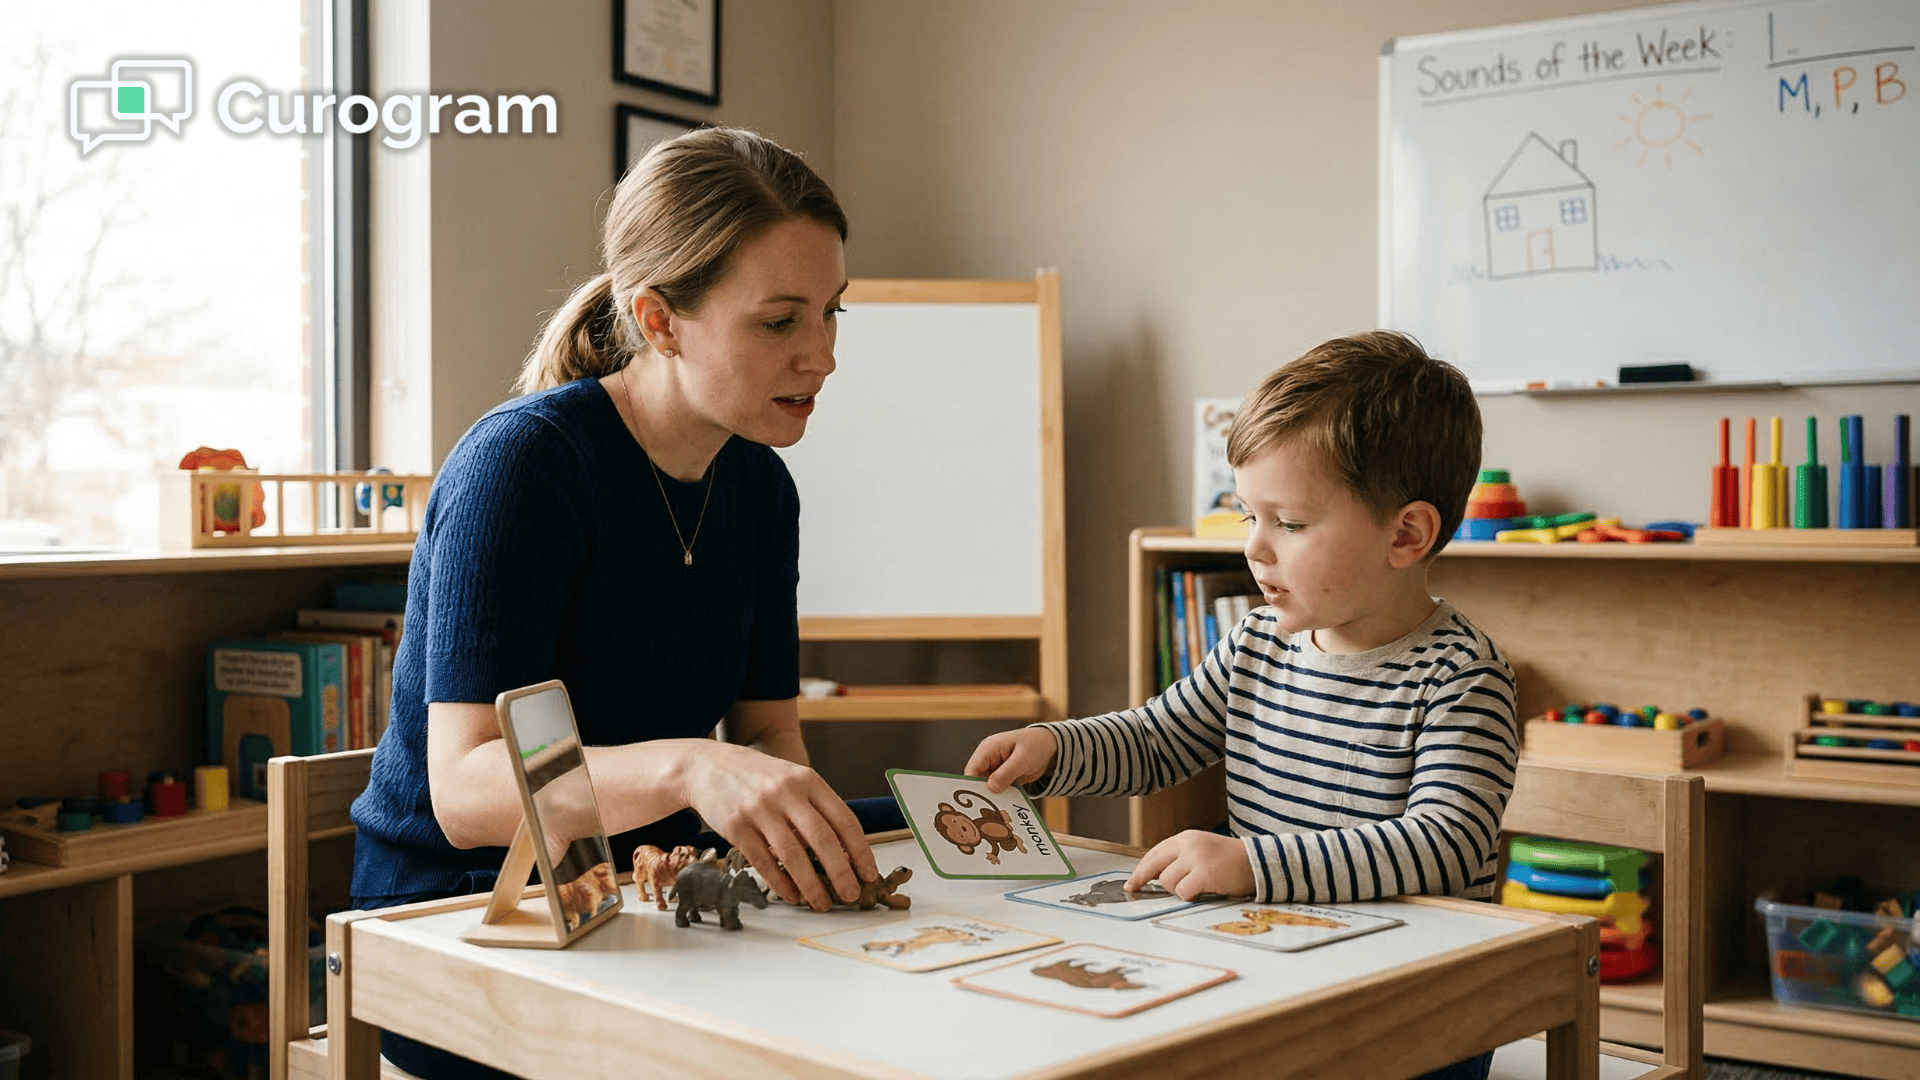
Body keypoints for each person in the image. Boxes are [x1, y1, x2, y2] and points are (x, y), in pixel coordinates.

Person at [350, 127, 897, 1079]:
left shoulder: (761, 488)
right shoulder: (522, 467)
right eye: (780, 322)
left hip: (653, 904)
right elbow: (469, 791)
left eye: (832, 313)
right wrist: (694, 770)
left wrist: (784, 832)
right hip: (465, 918)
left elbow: (769, 735)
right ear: (658, 318)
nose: (824, 356)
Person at [964, 330, 1517, 1080]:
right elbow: (1158, 739)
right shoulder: (1259, 641)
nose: (1254, 548)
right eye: (1248, 515)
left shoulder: (1460, 674)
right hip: (1280, 961)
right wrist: (1057, 749)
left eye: (1287, 523)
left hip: (1421, 1004)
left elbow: (1443, 844)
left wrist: (1252, 863)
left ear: (1406, 534)